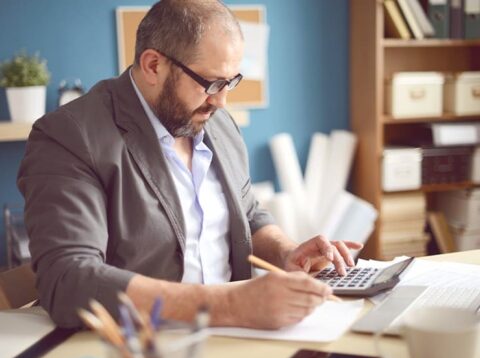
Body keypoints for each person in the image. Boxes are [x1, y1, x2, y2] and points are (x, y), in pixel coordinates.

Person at [17, 0, 362, 330]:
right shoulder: (69, 136)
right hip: (137, 342)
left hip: (234, 338)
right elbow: (69, 280)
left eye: (230, 82)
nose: (222, 101)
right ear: (153, 65)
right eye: (211, 83)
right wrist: (230, 306)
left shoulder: (216, 122)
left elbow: (247, 214)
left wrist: (287, 254)